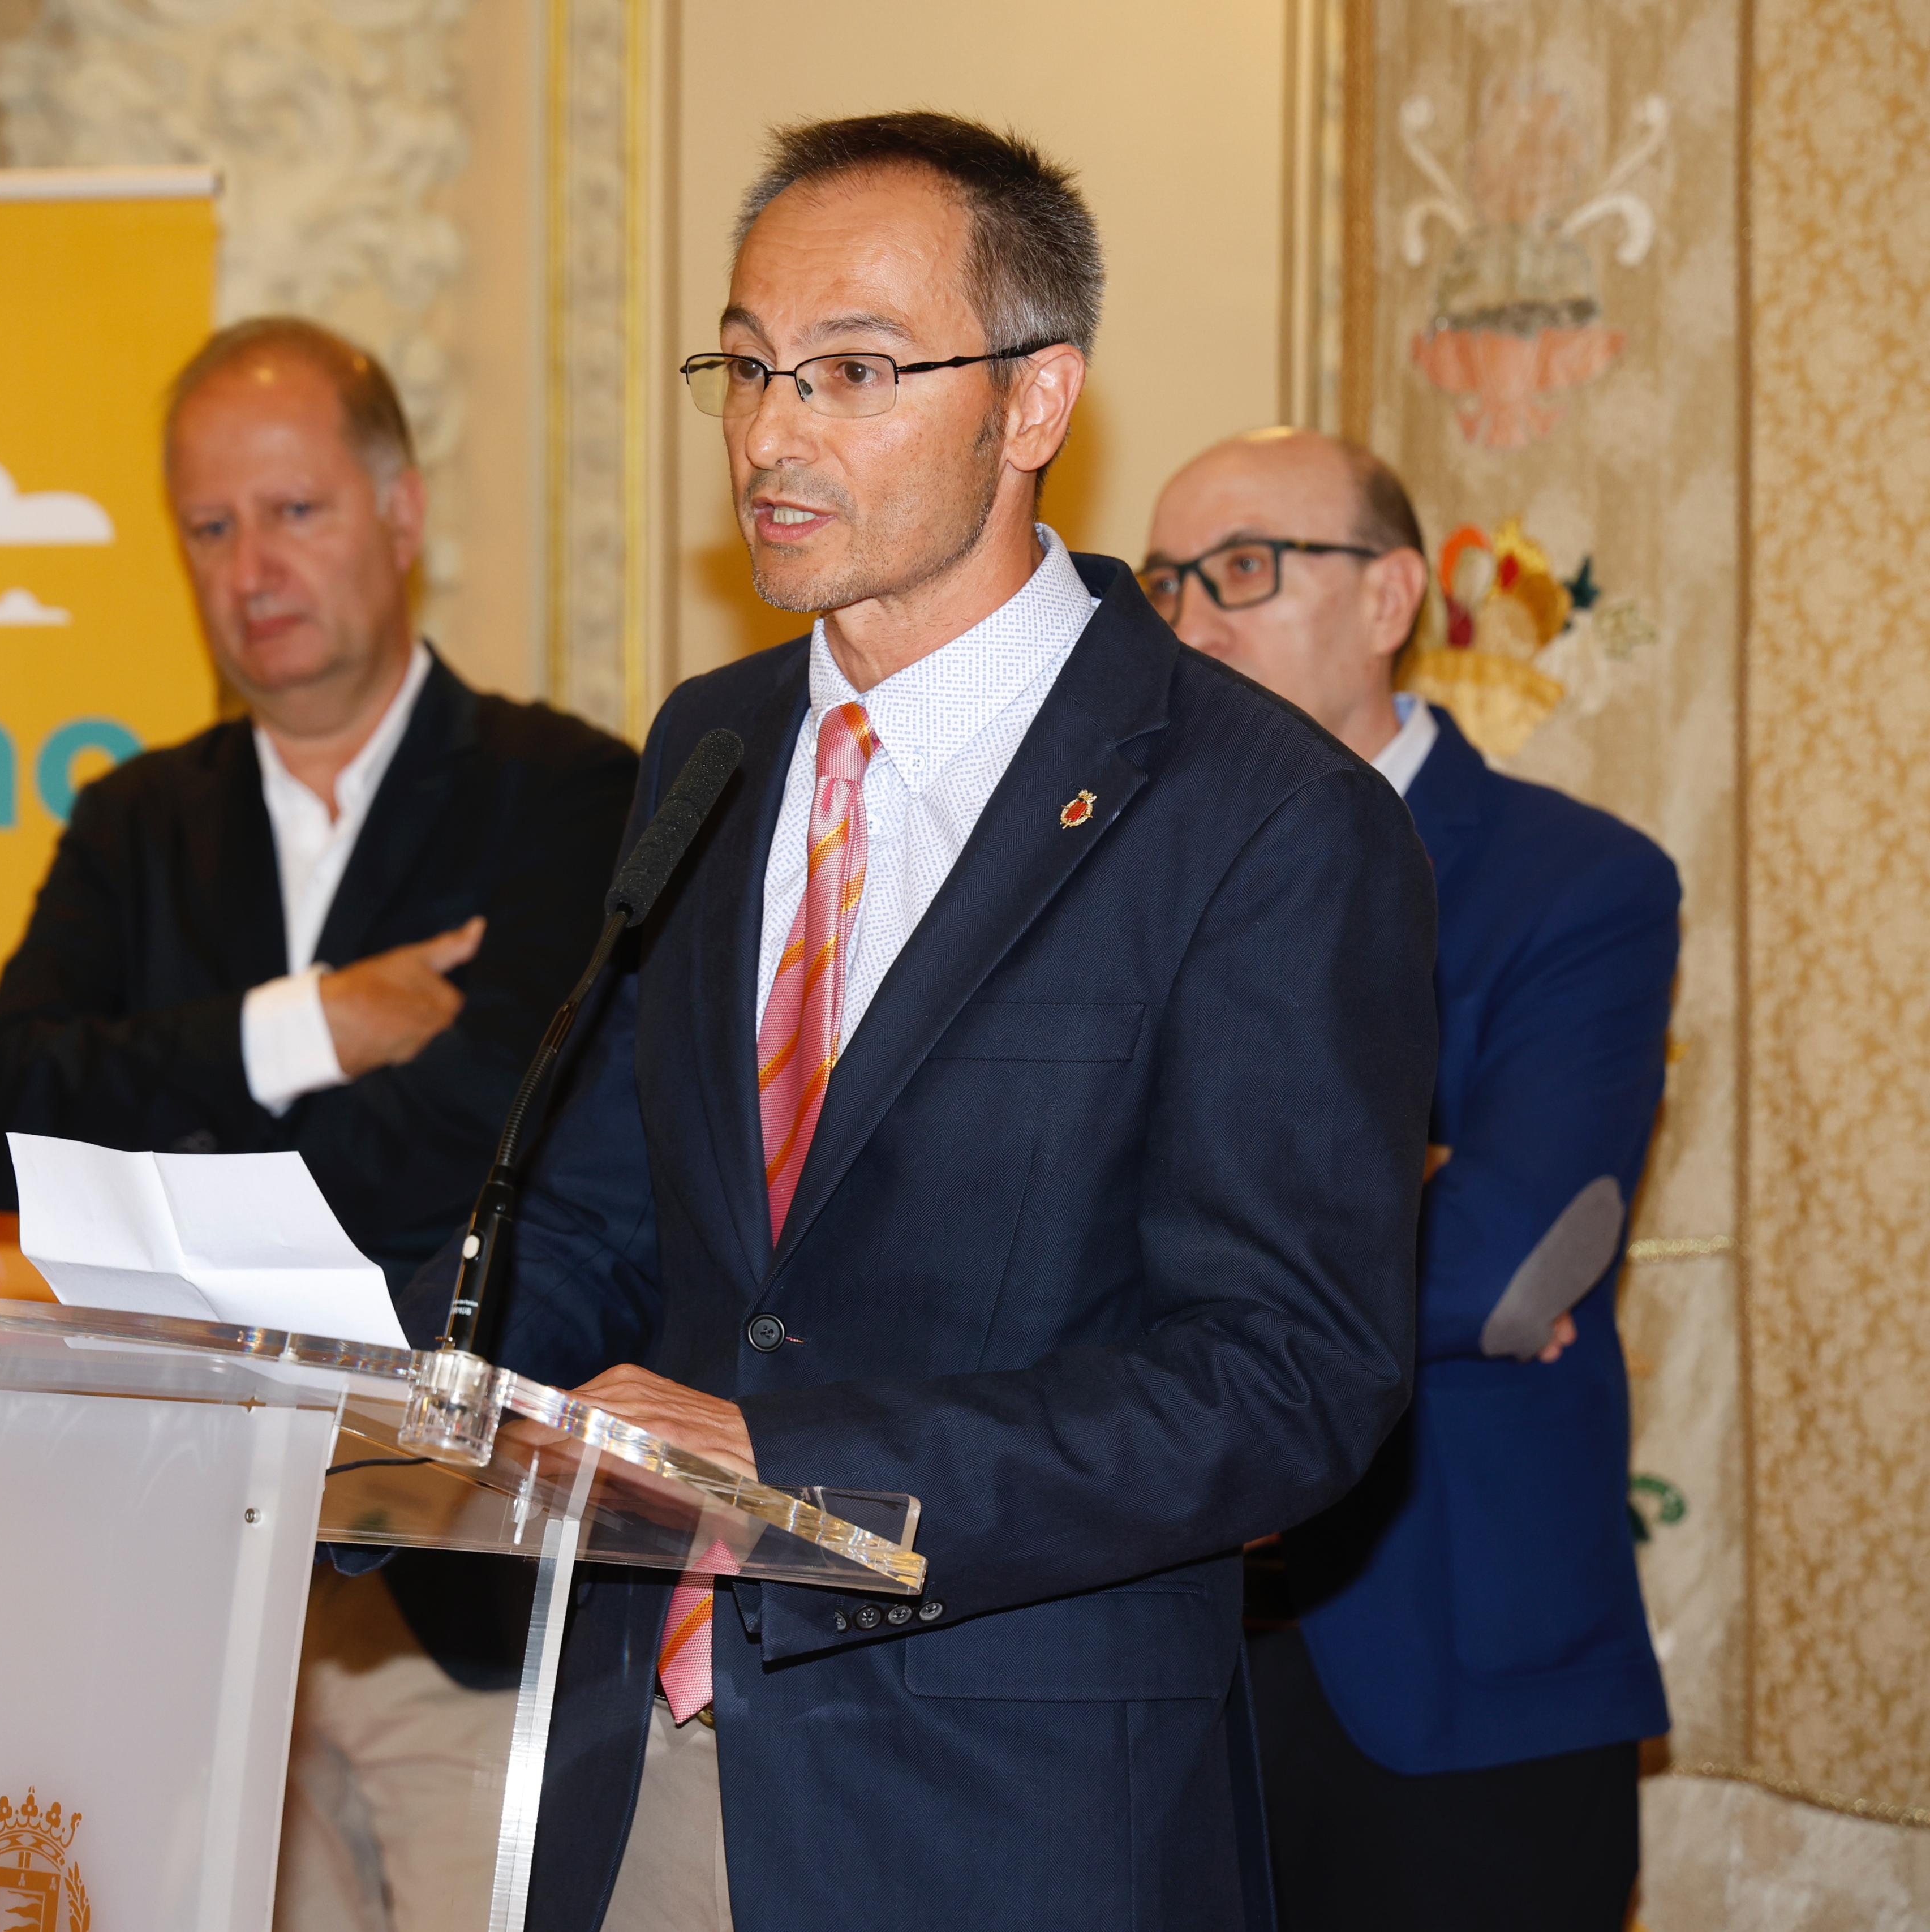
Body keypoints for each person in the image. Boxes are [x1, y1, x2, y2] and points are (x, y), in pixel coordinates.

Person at [418, 112, 1437, 1930]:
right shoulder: (712, 743)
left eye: (852, 372)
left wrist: (793, 1467)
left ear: (1036, 400)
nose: (770, 435)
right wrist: (357, 1372)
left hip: (1006, 1820)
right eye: (745, 367)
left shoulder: (1262, 819)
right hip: (645, 1773)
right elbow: (609, 1223)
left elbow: (1288, 1377)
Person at [0, 316, 639, 1932]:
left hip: (455, 1582)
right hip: (176, 1581)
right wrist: (302, 1025)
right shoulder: (137, 822)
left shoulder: (569, 794)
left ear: (401, 513)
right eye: (210, 526)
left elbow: (501, 1133)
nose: (251, 567)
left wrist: (161, 1174)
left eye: (295, 511)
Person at [1145, 428, 1675, 1931]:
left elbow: (1510, 1260)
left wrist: (1171, 1258)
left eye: (1245, 570)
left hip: (1460, 1665)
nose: (1192, 621)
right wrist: (1380, 1200)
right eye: (1165, 583)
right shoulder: (1112, 883)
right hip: (1159, 1667)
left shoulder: (1575, 881)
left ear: (1390, 599)